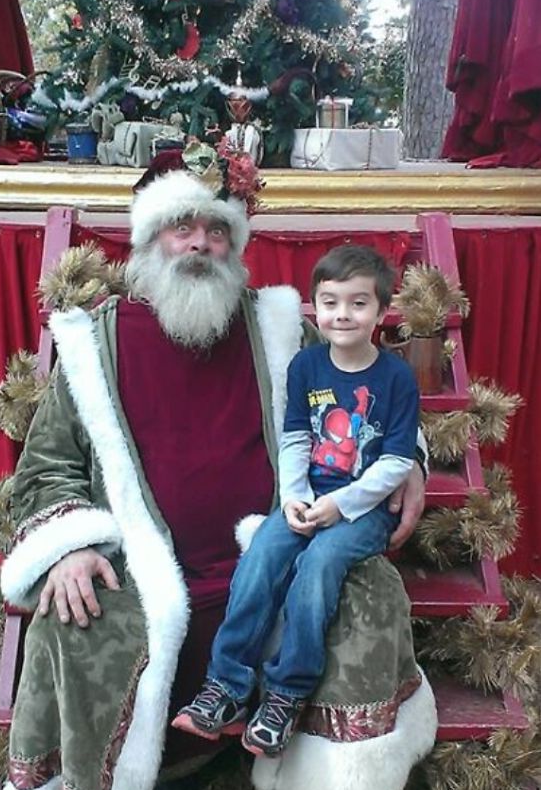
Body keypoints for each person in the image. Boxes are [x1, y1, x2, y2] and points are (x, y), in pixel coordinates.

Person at [0, 148, 438, 790]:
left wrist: (406, 465)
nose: (199, 243)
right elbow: (46, 468)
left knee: (362, 590)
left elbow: (363, 392)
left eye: (215, 229)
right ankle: (145, 789)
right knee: (83, 617)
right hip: (142, 562)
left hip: (275, 539)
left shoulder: (278, 327)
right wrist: (70, 544)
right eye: (181, 227)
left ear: (234, 243)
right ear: (148, 241)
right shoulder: (93, 345)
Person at [173, 245, 420, 758]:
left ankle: (286, 693)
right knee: (263, 553)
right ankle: (226, 685)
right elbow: (296, 440)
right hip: (308, 496)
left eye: (358, 303)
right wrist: (294, 498)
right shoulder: (307, 366)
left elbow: (397, 462)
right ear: (315, 306)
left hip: (364, 509)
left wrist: (341, 506)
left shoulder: (396, 378)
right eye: (330, 302)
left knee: (319, 564)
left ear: (381, 310)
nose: (342, 315)